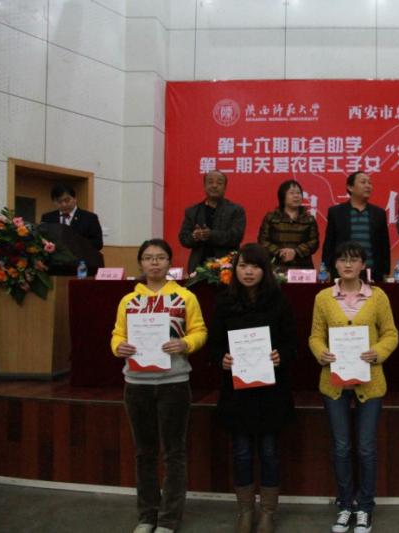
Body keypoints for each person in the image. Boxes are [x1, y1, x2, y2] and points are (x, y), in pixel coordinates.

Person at [110, 239, 207, 533]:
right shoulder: (129, 300)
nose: (154, 263)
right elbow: (117, 334)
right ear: (141, 263)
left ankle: (168, 519)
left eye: (161, 257)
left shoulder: (185, 297)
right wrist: (118, 347)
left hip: (174, 383)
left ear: (169, 262)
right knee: (144, 452)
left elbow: (199, 331)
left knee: (174, 453)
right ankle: (147, 516)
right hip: (136, 384)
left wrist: (186, 343)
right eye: (149, 258)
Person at [309, 241, 399, 533]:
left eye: (354, 259)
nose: (348, 265)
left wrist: (379, 352)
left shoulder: (378, 296)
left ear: (363, 265)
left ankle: (365, 508)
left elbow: (391, 333)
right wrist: (321, 352)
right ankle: (345, 505)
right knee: (341, 447)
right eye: (342, 259)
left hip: (369, 382)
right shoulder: (323, 297)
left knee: (366, 448)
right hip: (333, 382)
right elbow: (315, 336)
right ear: (334, 264)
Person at [210, 243, 296, 533]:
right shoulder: (224, 302)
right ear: (235, 269)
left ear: (265, 270)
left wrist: (281, 355)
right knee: (242, 453)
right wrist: (221, 359)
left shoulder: (279, 301)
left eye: (255, 266)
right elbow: (214, 344)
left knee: (270, 452)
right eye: (243, 265)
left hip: (271, 391)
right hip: (238, 392)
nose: (248, 272)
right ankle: (245, 510)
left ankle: (268, 512)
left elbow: (292, 342)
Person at [322, 171, 390, 283]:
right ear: (350, 187)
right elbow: (329, 243)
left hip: (372, 272)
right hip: (343, 271)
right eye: (363, 182)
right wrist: (326, 269)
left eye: (369, 183)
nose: (368, 186)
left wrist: (385, 272)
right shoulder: (336, 212)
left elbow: (384, 245)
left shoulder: (379, 213)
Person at [178, 170, 246, 274]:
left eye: (219, 183)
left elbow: (236, 237)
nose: (214, 186)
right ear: (204, 186)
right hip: (198, 268)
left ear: (225, 187)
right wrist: (195, 236)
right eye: (210, 182)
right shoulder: (192, 211)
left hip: (227, 267)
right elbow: (183, 238)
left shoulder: (236, 210)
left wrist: (211, 235)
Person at [258, 180, 319, 269]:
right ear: (283, 197)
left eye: (298, 193)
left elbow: (314, 242)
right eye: (292, 193)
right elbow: (262, 241)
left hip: (303, 267)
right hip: (276, 265)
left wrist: (295, 252)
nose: (296, 196)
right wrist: (279, 252)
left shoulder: (309, 219)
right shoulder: (271, 218)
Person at [40, 183, 103, 250]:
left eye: (67, 200)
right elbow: (41, 239)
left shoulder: (90, 218)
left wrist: (75, 244)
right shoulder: (47, 218)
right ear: (54, 202)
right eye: (59, 202)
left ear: (75, 199)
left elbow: (98, 244)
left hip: (80, 255)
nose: (63, 204)